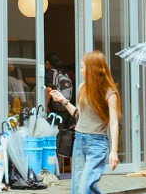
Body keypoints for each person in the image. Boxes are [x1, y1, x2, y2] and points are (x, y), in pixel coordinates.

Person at [51, 51, 120, 194]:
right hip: (79, 140)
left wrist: (114, 151)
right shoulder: (82, 87)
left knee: (85, 188)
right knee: (77, 189)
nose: (80, 70)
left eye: (82, 67)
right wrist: (64, 101)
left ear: (92, 69)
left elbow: (114, 123)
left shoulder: (110, 92)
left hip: (97, 143)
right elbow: (79, 115)